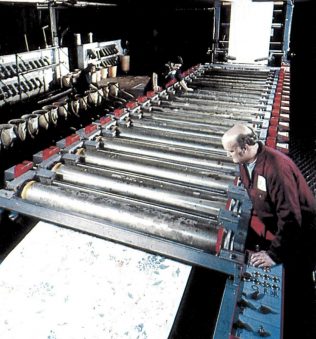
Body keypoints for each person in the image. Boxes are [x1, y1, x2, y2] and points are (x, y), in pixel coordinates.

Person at [221, 123, 316, 338]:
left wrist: (274, 255)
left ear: (244, 147)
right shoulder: (246, 163)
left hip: (303, 236)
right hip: (284, 231)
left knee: (299, 292)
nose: (228, 155)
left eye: (230, 150)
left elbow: (291, 218)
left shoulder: (276, 168)